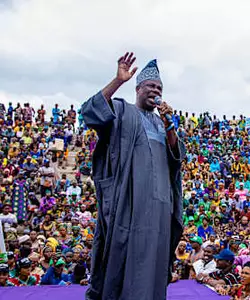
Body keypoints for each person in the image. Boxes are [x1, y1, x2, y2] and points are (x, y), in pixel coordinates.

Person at [82, 53, 185, 299]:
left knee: (155, 263)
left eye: (159, 87)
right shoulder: (122, 111)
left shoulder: (163, 124)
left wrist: (170, 124)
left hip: (160, 208)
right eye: (150, 86)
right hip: (129, 205)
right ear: (138, 89)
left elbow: (175, 158)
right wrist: (118, 80)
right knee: (124, 259)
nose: (155, 91)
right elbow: (90, 111)